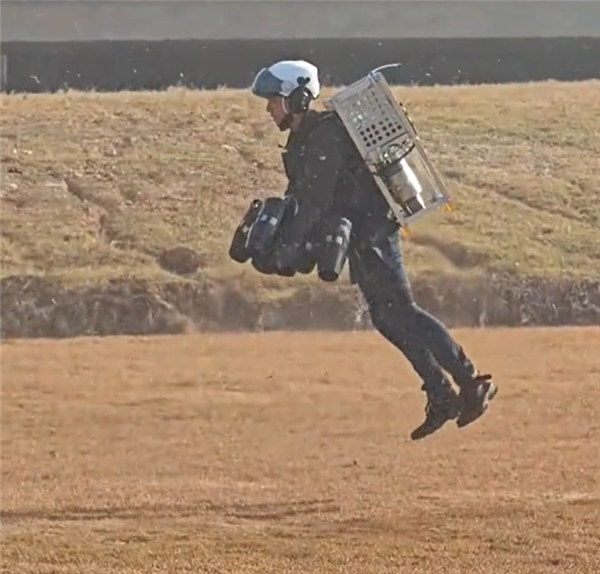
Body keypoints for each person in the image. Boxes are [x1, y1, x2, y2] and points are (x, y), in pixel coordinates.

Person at [249, 59, 498, 440]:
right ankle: (441, 392)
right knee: (386, 317)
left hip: (374, 233)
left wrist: (288, 246)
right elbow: (301, 199)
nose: (269, 109)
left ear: (298, 98)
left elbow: (315, 203)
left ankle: (469, 381)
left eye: (274, 100)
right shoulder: (303, 140)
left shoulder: (325, 136)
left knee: (403, 311)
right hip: (360, 238)